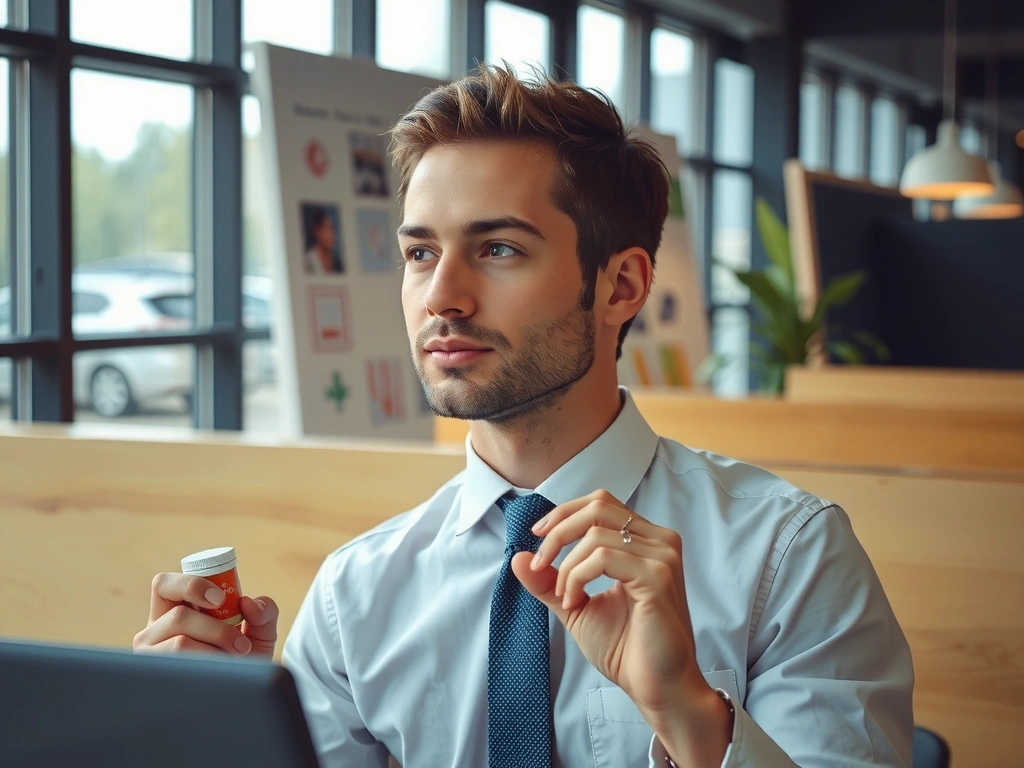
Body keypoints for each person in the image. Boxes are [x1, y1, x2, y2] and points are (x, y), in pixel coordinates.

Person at [135, 65, 914, 767]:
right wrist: (224, 738)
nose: (442, 295)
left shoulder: (790, 557)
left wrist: (690, 715)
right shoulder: (357, 593)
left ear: (621, 286)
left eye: (499, 249)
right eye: (418, 254)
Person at [303, 205, 344, 274]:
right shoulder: (308, 261)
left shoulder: (338, 264)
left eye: (332, 229)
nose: (332, 235)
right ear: (316, 231)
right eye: (327, 228)